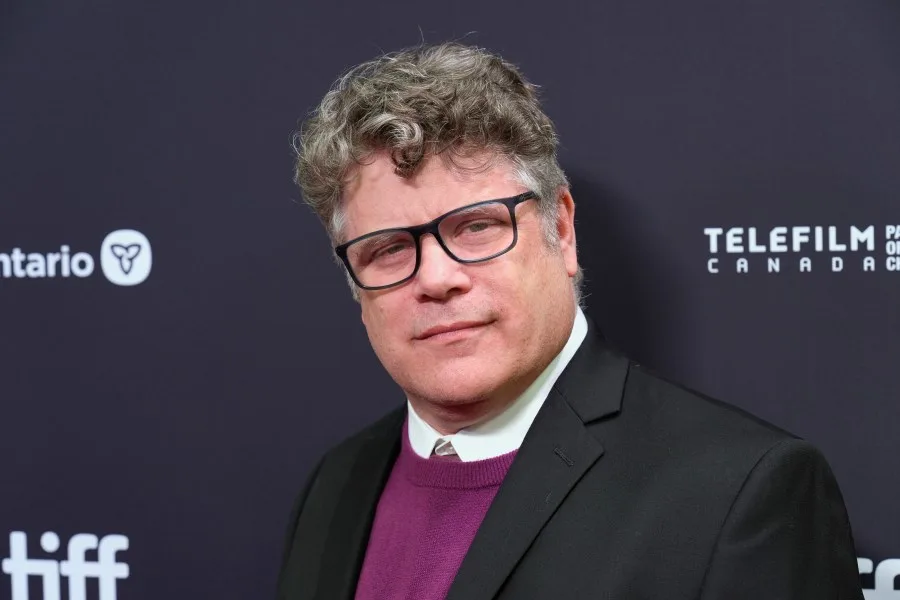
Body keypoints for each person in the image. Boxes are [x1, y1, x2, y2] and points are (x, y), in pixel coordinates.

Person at [276, 42, 863, 600]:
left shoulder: (738, 490)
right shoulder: (337, 484)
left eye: (477, 226)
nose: (435, 278)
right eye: (389, 249)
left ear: (561, 230)